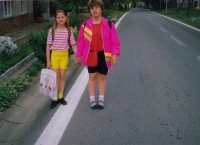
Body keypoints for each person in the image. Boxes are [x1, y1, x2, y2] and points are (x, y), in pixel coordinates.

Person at [76, 0, 121, 109]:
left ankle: (101, 99)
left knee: (102, 76)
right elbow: (81, 41)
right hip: (91, 54)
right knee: (92, 76)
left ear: (101, 9)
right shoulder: (85, 25)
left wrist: (115, 54)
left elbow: (114, 41)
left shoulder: (109, 25)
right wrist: (78, 55)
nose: (94, 10)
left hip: (104, 55)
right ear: (90, 11)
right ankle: (92, 99)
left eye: (97, 7)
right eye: (92, 8)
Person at [46, 9, 77, 109]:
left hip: (64, 56)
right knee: (55, 77)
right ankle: (54, 98)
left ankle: (60, 96)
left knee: (62, 76)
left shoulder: (69, 31)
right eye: (58, 17)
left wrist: (78, 56)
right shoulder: (52, 31)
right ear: (55, 18)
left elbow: (73, 45)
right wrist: (48, 61)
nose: (60, 19)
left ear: (66, 18)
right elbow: (48, 46)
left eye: (62, 17)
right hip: (54, 55)